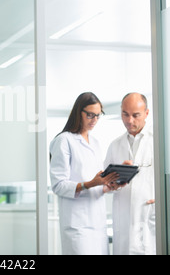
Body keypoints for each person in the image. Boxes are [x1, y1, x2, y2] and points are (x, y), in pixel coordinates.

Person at [49, 92, 119, 255]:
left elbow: (95, 182)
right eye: (90, 115)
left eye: (98, 115)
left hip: (97, 222)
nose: (94, 120)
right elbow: (58, 185)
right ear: (78, 112)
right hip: (77, 225)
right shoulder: (64, 140)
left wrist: (106, 186)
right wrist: (91, 183)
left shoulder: (95, 143)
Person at [104, 93, 155, 255]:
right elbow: (106, 183)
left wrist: (166, 201)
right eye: (125, 114)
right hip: (124, 219)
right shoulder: (115, 145)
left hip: (150, 215)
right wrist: (113, 183)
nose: (129, 120)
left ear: (146, 113)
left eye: (135, 115)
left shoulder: (158, 140)